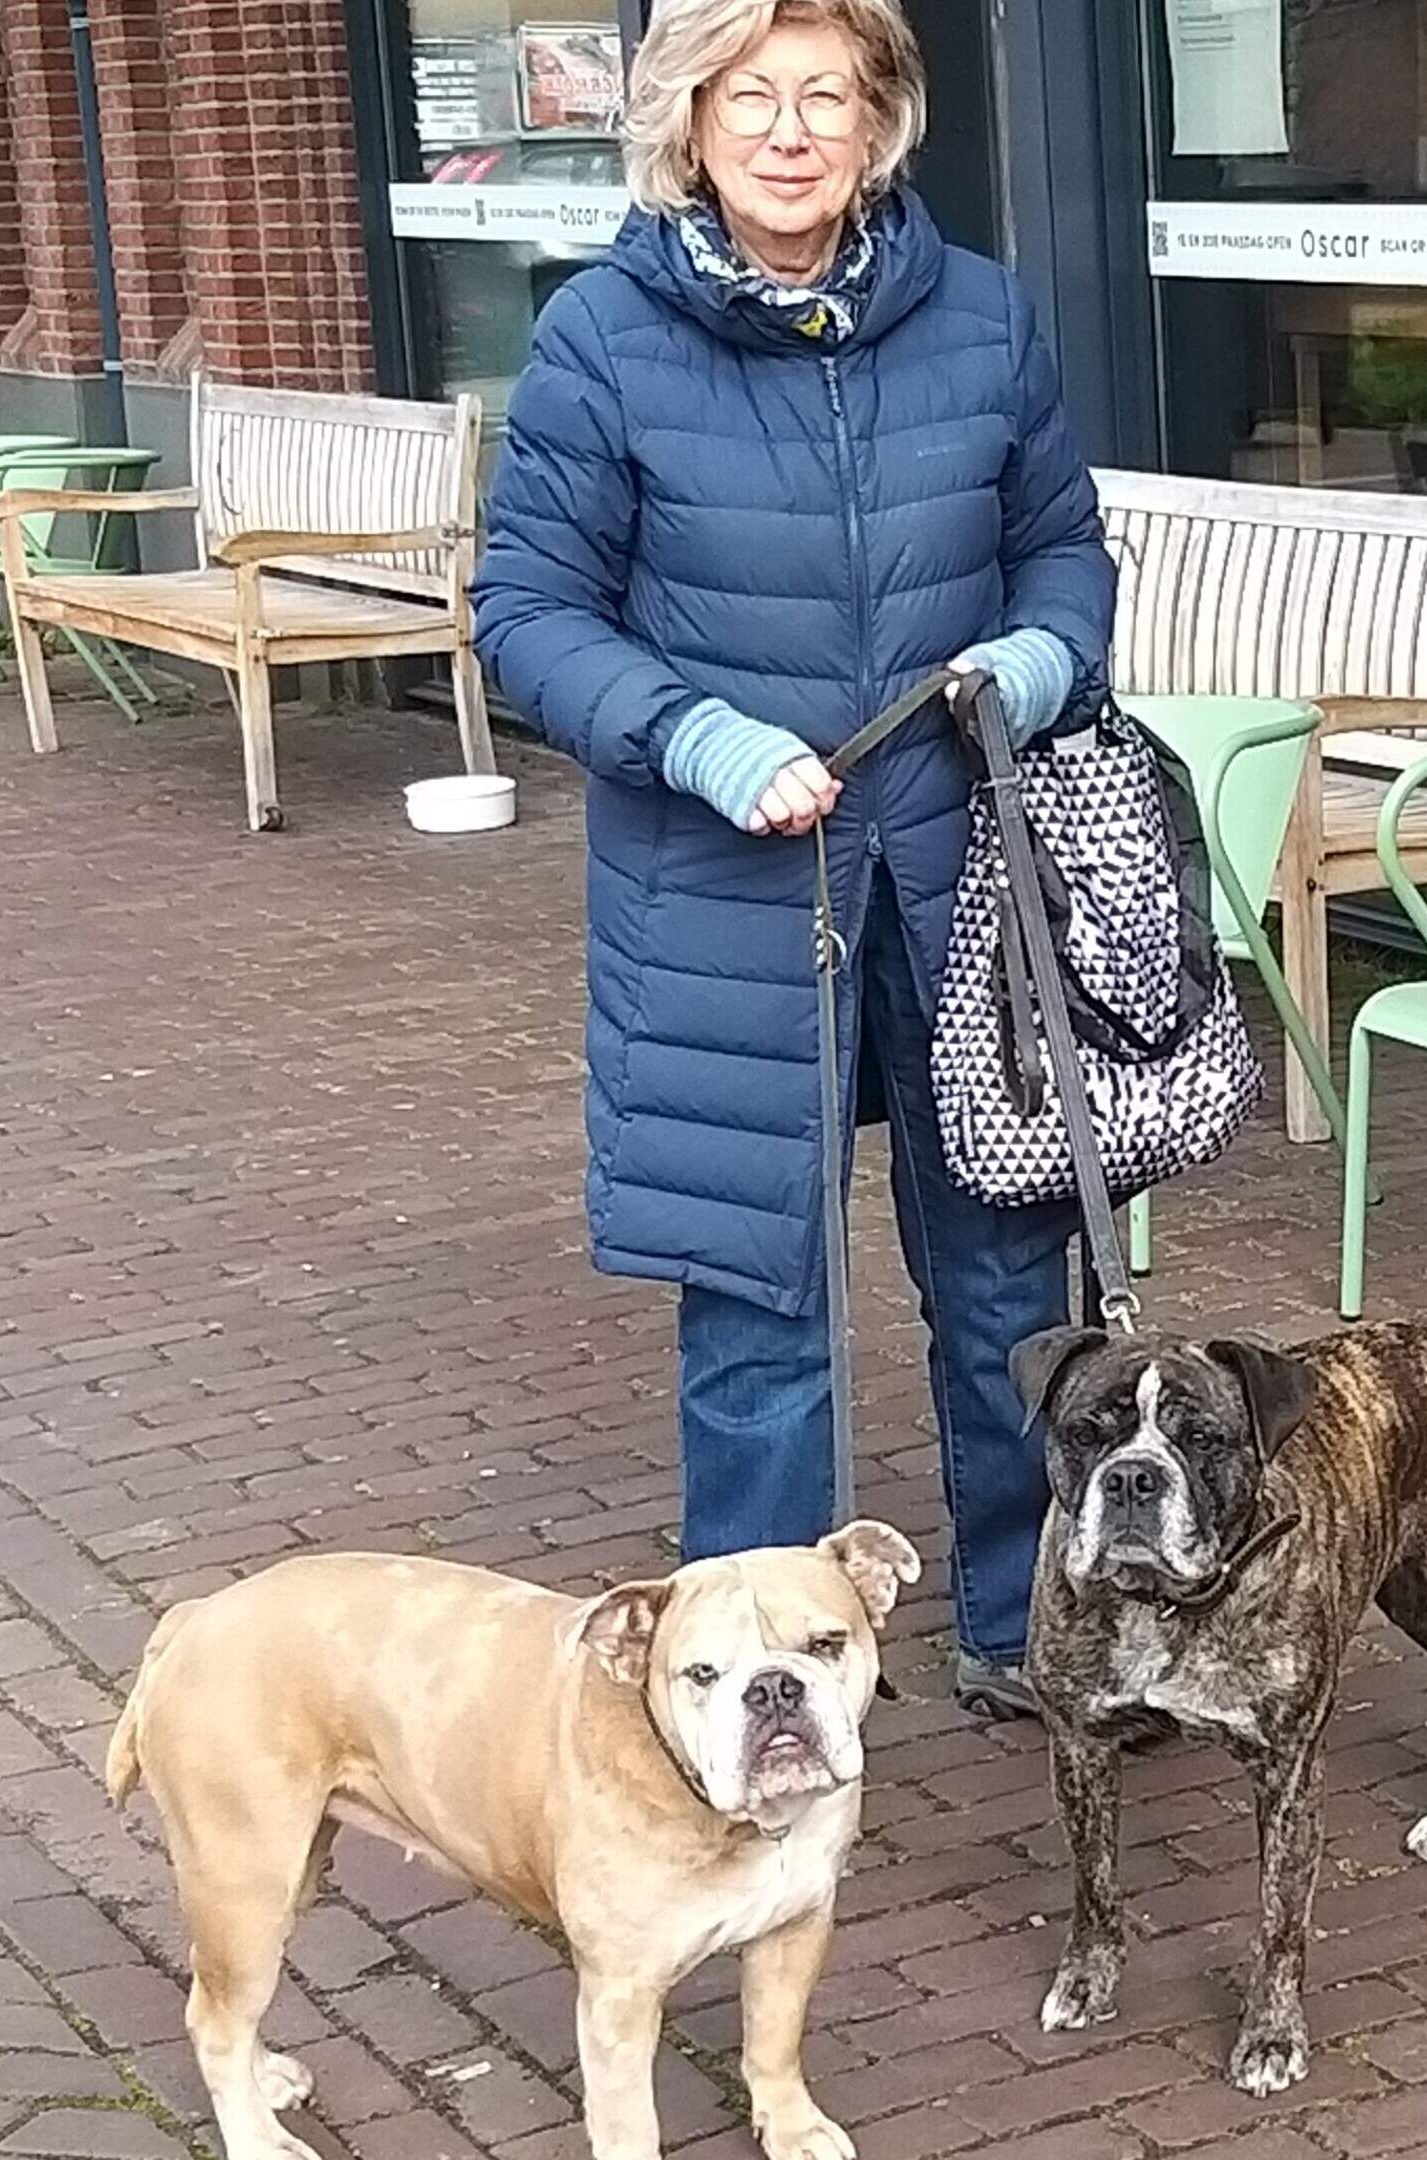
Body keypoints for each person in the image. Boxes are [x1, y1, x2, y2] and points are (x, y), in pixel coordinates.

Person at [473, 0, 1115, 1720]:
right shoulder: (602, 340)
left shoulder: (980, 317)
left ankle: (1019, 1623)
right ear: (688, 120)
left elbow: (1061, 548)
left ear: (881, 120)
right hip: (729, 898)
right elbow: (527, 617)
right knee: (764, 1305)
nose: (786, 129)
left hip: (964, 868)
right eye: (747, 94)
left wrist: (1043, 660)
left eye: (825, 93)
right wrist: (691, 735)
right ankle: (754, 1677)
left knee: (1006, 1270)